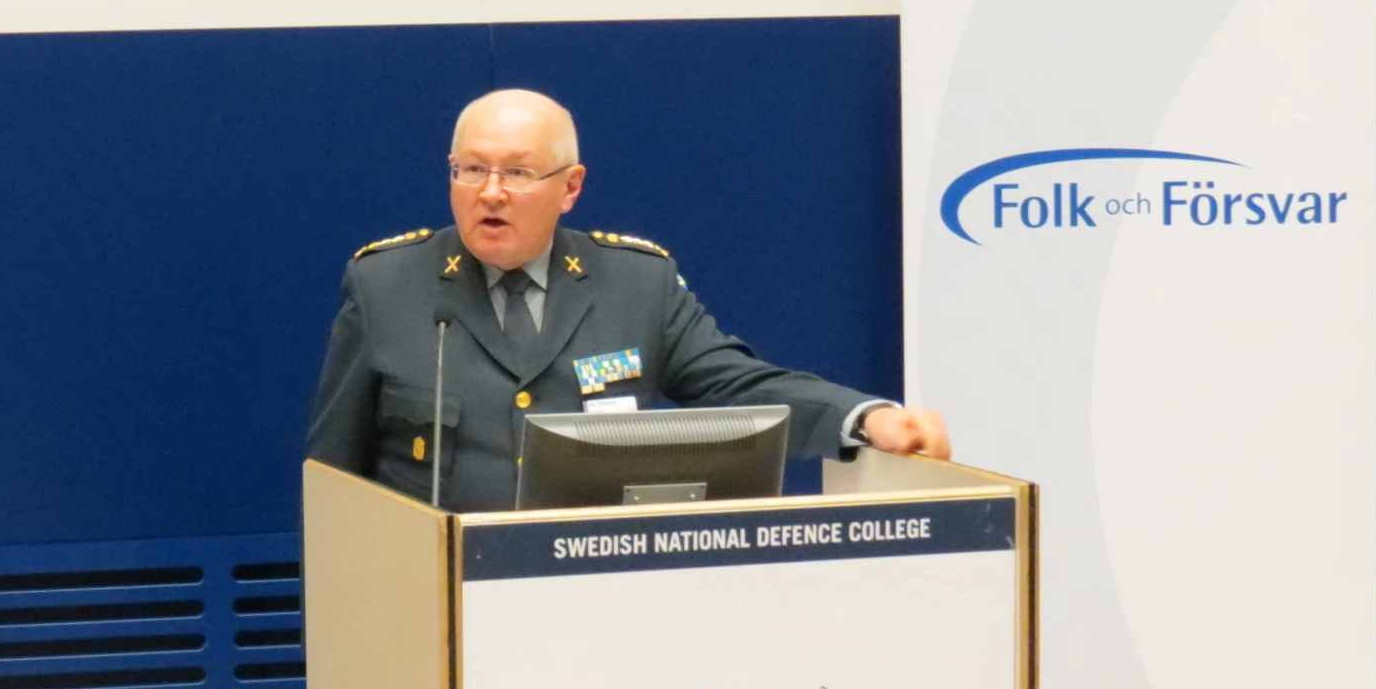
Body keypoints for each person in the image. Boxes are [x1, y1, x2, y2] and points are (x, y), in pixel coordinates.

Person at [306, 89, 951, 511]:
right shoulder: (386, 285)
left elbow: (742, 387)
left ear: (570, 188)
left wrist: (865, 419)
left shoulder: (634, 283)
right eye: (471, 169)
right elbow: (333, 482)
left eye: (519, 172)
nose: (491, 192)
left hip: (595, 602)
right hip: (435, 608)